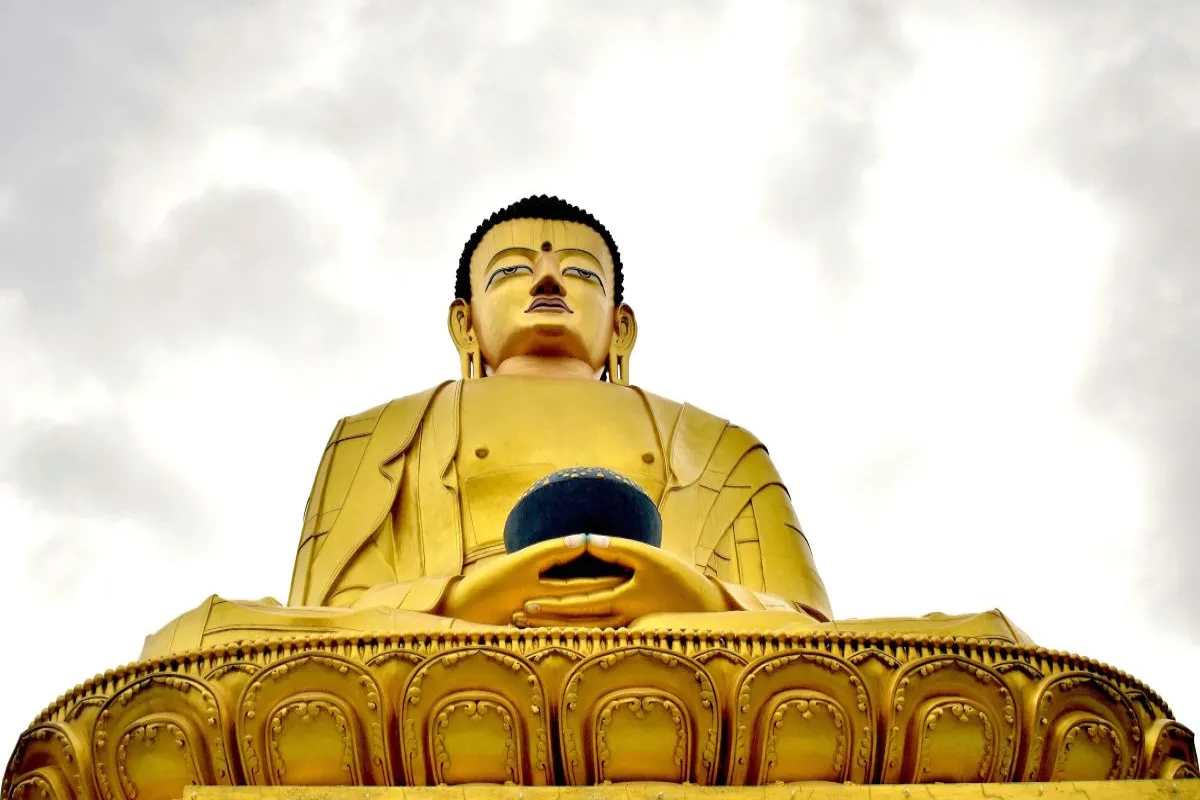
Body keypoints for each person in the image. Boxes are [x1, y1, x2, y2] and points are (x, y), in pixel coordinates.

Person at [142, 196, 1025, 657]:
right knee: (194, 641)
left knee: (991, 647)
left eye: (580, 273)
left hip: (685, 655)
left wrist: (697, 599)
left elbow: (803, 626)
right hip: (445, 654)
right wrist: (465, 599)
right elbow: (327, 623)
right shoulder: (376, 434)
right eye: (511, 271)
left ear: (621, 326)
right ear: (463, 325)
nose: (547, 282)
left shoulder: (716, 441)